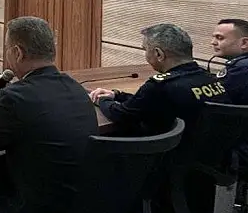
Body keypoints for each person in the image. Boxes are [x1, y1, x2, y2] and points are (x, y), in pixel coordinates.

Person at [0, 16, 99, 213]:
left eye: (7, 49)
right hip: (81, 208)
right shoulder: (76, 87)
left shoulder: (15, 97)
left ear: (18, 53)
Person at [91, 23, 230, 135]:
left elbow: (121, 115)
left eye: (145, 49)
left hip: (166, 155)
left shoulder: (160, 86)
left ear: (158, 54)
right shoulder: (209, 77)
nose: (146, 55)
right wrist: (117, 95)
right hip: (208, 154)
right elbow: (146, 102)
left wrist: (102, 100)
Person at [212, 19, 248, 103]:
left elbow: (215, 98)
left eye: (220, 38)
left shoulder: (240, 69)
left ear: (244, 43)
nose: (213, 42)